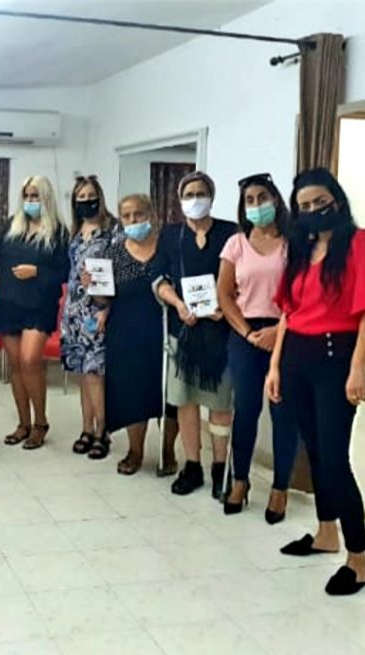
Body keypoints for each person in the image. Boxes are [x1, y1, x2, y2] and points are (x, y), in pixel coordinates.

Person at [265, 167, 365, 596]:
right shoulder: (301, 249)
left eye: (319, 202)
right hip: (296, 357)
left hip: (335, 358)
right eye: (304, 205)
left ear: (337, 200)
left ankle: (358, 560)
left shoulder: (362, 244)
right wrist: (275, 366)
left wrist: (358, 367)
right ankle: (326, 533)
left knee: (334, 459)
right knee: (314, 450)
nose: (313, 210)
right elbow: (287, 314)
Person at [217, 172, 298, 522]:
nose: (256, 205)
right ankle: (240, 480)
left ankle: (280, 488)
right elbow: (224, 295)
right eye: (249, 200)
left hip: (287, 332)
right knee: (246, 409)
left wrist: (277, 332)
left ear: (275, 199)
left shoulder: (293, 244)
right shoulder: (236, 244)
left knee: (283, 412)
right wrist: (249, 333)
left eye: (262, 198)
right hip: (245, 335)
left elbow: (303, 294)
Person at [154, 171, 237, 499]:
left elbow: (242, 279)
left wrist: (225, 306)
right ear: (179, 200)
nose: (195, 199)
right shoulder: (170, 235)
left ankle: (220, 467)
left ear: (211, 197)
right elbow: (159, 278)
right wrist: (177, 304)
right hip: (183, 332)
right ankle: (192, 465)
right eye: (188, 195)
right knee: (185, 400)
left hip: (220, 331)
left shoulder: (231, 233)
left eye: (201, 193)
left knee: (220, 403)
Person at [0, 175, 69, 450]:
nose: (30, 201)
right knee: (15, 365)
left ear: (46, 198)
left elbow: (65, 271)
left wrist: (37, 271)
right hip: (9, 303)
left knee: (29, 361)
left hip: (39, 304)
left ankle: (40, 422)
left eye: (35, 196)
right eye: (26, 196)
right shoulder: (11, 226)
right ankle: (23, 423)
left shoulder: (58, 232)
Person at [95, 195, 166, 474]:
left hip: (164, 329)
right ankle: (135, 451)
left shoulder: (167, 246)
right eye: (127, 216)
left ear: (151, 214)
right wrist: (93, 288)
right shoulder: (113, 253)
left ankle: (168, 451)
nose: (133, 220)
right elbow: (104, 300)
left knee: (167, 394)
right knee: (132, 392)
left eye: (139, 214)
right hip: (125, 331)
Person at [61, 175, 121, 459]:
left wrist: (108, 309)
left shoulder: (113, 230)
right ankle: (86, 428)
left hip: (99, 310)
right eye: (80, 197)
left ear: (100, 197)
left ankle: (102, 431)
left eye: (90, 196)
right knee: (83, 374)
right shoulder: (75, 232)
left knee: (96, 373)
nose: (86, 201)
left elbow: (120, 272)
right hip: (74, 312)